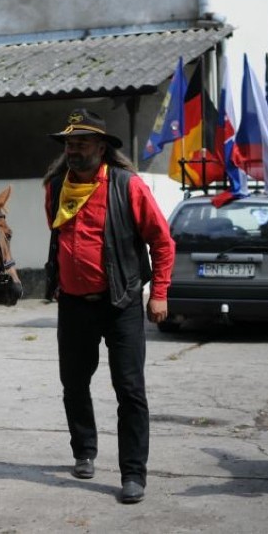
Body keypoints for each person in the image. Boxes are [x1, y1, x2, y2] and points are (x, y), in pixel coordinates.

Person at [42, 108, 175, 504]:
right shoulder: (54, 188)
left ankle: (133, 473)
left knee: (130, 390)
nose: (74, 149)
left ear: (102, 146)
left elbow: (162, 241)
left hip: (121, 303)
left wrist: (161, 293)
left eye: (82, 142)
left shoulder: (127, 186)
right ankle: (84, 451)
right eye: (69, 143)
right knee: (74, 383)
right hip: (73, 305)